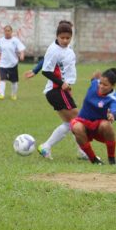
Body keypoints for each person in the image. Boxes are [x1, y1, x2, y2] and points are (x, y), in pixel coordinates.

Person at [36, 20, 80, 160]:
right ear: (57, 36)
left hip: (61, 90)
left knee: (69, 123)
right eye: (62, 38)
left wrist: (67, 86)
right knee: (78, 120)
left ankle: (46, 147)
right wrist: (62, 84)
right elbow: (46, 71)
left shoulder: (67, 49)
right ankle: (83, 151)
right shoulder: (54, 50)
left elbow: (65, 70)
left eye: (68, 38)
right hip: (56, 90)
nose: (65, 40)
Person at [71, 68, 116, 165]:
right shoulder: (95, 84)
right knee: (76, 127)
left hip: (98, 126)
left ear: (113, 86)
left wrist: (112, 115)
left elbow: (115, 110)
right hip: (83, 121)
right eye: (101, 83)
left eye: (105, 85)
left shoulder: (113, 98)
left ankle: (112, 159)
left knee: (106, 125)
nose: (101, 86)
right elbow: (94, 79)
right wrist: (95, 75)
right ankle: (94, 160)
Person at [0, 25, 25, 100]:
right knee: (2, 79)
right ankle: (1, 94)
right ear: (4, 32)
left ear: (11, 32)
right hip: (3, 64)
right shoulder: (0, 41)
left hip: (13, 64)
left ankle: (13, 95)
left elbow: (21, 49)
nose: (7, 32)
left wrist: (22, 55)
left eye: (9, 31)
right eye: (6, 31)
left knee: (14, 81)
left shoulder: (15, 40)